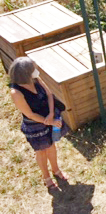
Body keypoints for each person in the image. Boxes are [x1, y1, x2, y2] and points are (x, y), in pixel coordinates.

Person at [9, 57, 70, 190]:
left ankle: (56, 170)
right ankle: (46, 177)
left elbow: (49, 94)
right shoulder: (16, 92)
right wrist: (49, 121)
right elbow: (30, 114)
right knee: (41, 151)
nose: (36, 71)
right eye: (33, 69)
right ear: (25, 73)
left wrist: (51, 114)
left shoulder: (35, 79)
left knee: (51, 146)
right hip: (35, 126)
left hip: (49, 118)